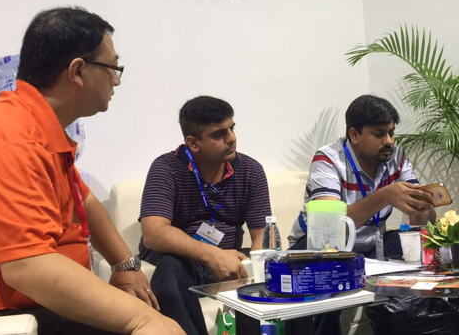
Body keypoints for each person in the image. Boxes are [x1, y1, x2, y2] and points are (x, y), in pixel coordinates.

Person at [0, 7, 184, 335]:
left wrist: (125, 265)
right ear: (78, 71)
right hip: (11, 317)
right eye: (113, 68)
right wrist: (142, 320)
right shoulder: (12, 139)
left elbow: (85, 201)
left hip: (44, 303)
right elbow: (27, 266)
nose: (117, 80)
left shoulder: (37, 126)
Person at [139, 96, 272, 335]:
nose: (231, 138)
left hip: (230, 257)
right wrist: (212, 255)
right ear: (193, 143)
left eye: (232, 128)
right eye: (219, 134)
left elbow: (261, 233)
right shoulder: (166, 168)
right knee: (170, 271)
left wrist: (257, 269)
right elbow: (153, 233)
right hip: (181, 261)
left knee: (282, 271)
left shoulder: (250, 170)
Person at [288, 94, 436, 258]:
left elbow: (422, 223)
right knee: (327, 252)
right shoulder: (328, 159)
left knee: (419, 242)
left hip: (372, 246)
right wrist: (385, 196)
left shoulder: (396, 157)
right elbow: (330, 227)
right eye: (379, 134)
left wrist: (422, 212)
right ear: (354, 135)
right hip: (317, 246)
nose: (389, 141)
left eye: (391, 133)